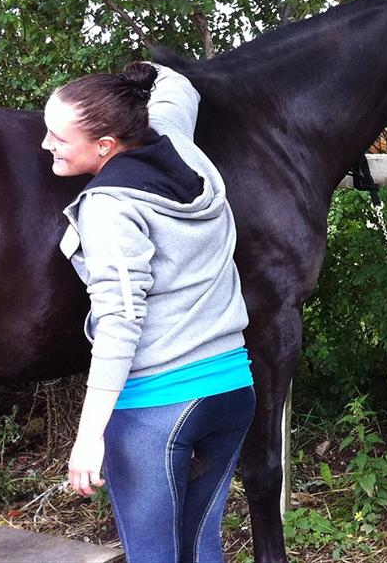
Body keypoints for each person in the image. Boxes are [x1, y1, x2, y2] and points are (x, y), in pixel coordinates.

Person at [42, 61, 254, 563]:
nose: (46, 144)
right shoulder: (177, 143)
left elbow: (119, 321)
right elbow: (176, 84)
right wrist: (135, 76)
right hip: (230, 389)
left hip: (159, 407)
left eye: (59, 137)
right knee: (200, 544)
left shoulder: (108, 207)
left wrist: (88, 438)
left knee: (154, 555)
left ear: (104, 145)